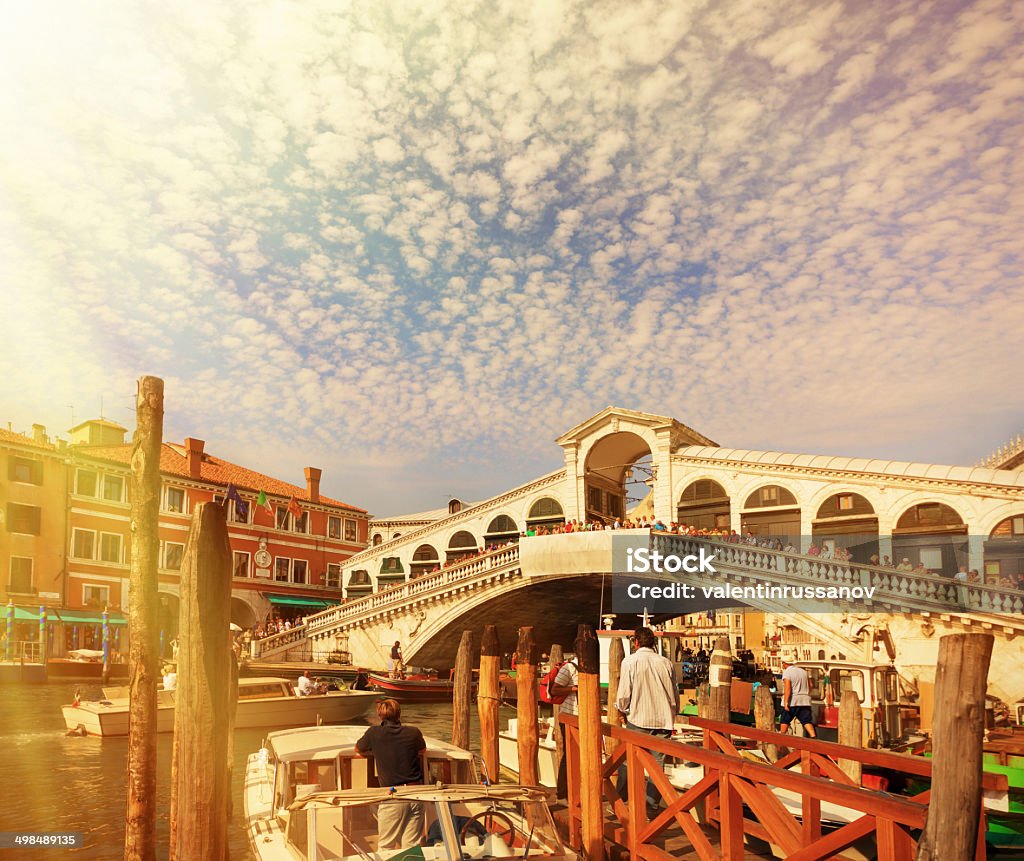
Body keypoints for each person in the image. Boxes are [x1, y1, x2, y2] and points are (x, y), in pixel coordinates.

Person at [615, 627, 678, 811]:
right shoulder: (666, 663)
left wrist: (622, 710)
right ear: (653, 643)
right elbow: (674, 693)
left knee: (628, 760)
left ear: (636, 642)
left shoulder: (630, 661)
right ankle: (650, 806)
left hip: (639, 719)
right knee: (657, 766)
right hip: (663, 720)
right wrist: (672, 713)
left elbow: (624, 694)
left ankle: (620, 800)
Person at [356, 699, 426, 851]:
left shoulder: (374, 733)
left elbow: (358, 749)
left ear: (380, 715)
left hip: (394, 795)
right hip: (417, 794)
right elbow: (422, 751)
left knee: (386, 846)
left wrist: (376, 751)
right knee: (411, 847)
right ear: (399, 714)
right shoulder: (414, 732)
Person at [549, 655, 579, 799]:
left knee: (579, 755)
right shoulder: (570, 667)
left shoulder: (590, 667)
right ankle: (563, 792)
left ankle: (575, 791)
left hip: (582, 719)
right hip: (569, 717)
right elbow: (554, 690)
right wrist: (574, 689)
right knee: (569, 755)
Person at [779, 657, 816, 738]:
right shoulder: (804, 672)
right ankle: (814, 737)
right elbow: (811, 686)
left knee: (784, 721)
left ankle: (781, 738)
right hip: (804, 701)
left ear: (784, 663)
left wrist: (785, 702)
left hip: (792, 701)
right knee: (807, 721)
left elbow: (787, 688)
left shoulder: (787, 672)